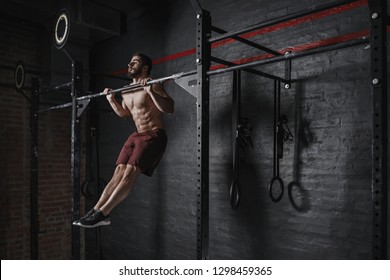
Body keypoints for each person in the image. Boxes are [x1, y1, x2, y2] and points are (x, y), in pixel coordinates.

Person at [73, 53, 174, 228]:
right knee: (119, 171)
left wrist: (150, 91)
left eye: (134, 62)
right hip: (137, 134)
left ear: (144, 68)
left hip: (154, 135)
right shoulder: (126, 90)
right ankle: (97, 211)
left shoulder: (153, 84)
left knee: (129, 173)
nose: (129, 64)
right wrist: (111, 100)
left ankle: (103, 213)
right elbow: (125, 114)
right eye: (130, 62)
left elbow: (169, 108)